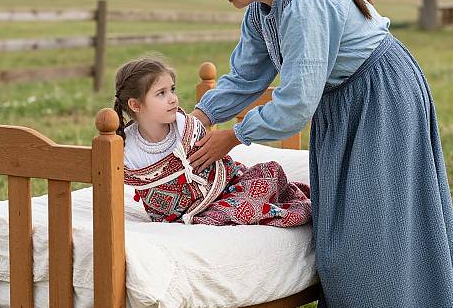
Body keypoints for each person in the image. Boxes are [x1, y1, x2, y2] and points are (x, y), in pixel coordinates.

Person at [188, 0, 453, 308]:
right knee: (338, 225)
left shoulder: (306, 3)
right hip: (343, 104)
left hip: (379, 96)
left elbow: (297, 102)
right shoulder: (262, 11)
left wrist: (235, 136)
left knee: (366, 225)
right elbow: (246, 77)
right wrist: (199, 118)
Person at [113, 57, 311, 227]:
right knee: (225, 213)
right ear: (135, 105)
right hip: (176, 214)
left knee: (268, 174)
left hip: (224, 189)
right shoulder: (125, 147)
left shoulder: (186, 127)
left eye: (172, 90)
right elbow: (115, 178)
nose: (173, 99)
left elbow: (218, 167)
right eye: (161, 93)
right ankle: (210, 216)